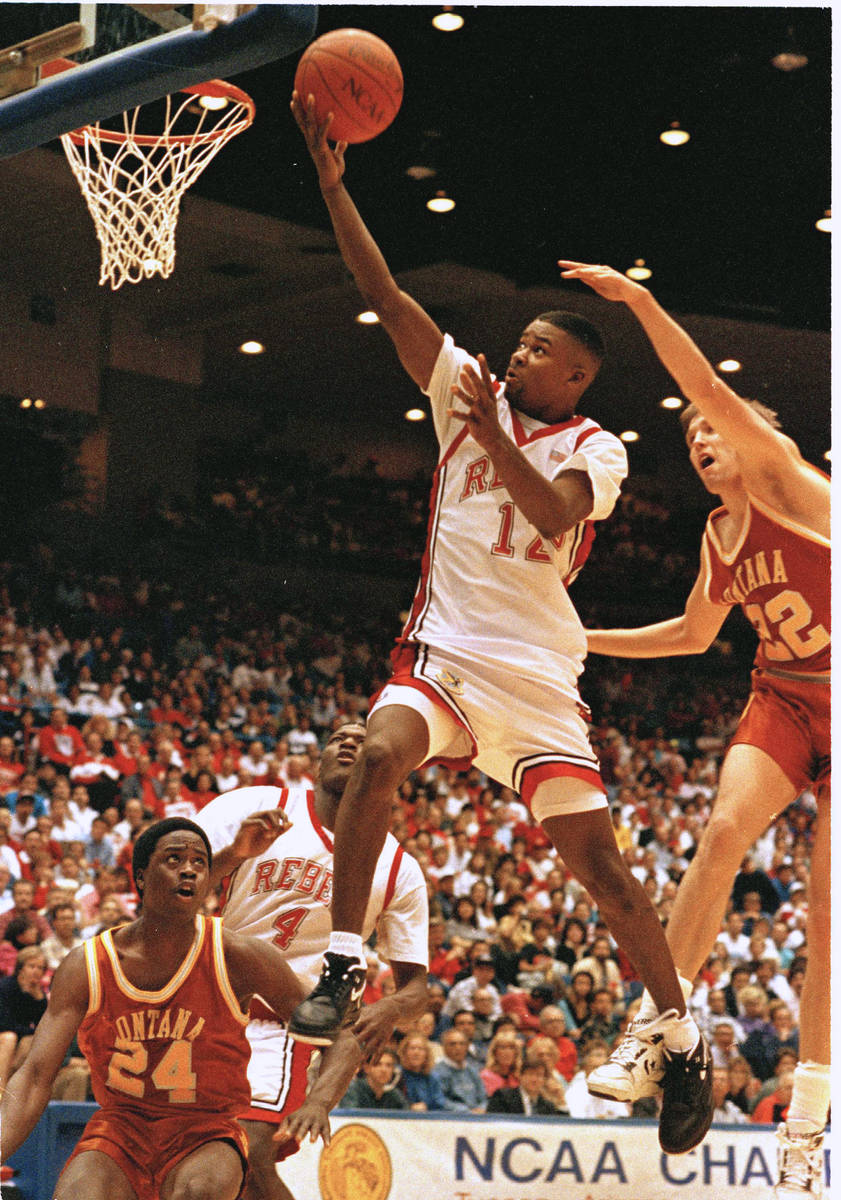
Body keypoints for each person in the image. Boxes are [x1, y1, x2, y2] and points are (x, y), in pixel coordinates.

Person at [287, 90, 710, 1161]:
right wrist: (335, 188)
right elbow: (382, 292)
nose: (513, 357)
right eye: (513, 346)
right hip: (442, 655)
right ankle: (343, 957)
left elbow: (553, 512)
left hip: (539, 683)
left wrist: (492, 432)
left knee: (606, 878)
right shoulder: (462, 388)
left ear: (573, 375)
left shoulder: (599, 446)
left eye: (533, 351)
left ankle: (681, 1037)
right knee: (378, 750)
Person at [557, 259, 830, 1196]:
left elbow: (707, 384)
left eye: (715, 429)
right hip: (787, 697)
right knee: (717, 836)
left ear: (757, 439)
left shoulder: (792, 488)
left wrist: (637, 304)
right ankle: (655, 1031)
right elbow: (687, 633)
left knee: (827, 913)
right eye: (692, 439)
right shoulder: (718, 536)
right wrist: (572, 633)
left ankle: (808, 1118)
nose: (703, 440)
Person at [0, 818, 361, 1200]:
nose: (188, 869)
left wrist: (320, 1101)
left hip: (207, 1132)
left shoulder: (237, 955)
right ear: (140, 877)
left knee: (199, 1191)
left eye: (199, 862)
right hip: (121, 1131)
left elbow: (341, 1038)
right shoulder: (87, 964)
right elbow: (36, 1075)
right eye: (173, 859)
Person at [195, 721, 428, 1200]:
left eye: (364, 741)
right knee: (206, 1172)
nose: (348, 743)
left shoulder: (400, 867)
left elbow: (417, 988)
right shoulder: (253, 806)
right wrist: (233, 855)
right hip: (210, 1006)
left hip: (288, 1023)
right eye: (338, 737)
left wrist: (388, 1009)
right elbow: (170, 889)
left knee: (246, 1155)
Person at [486, 1054, 561, 1115]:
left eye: (539, 1075)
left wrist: (562, 1100)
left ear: (545, 1080)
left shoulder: (548, 1106)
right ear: (520, 1076)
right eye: (530, 1074)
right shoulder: (503, 1097)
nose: (534, 1079)